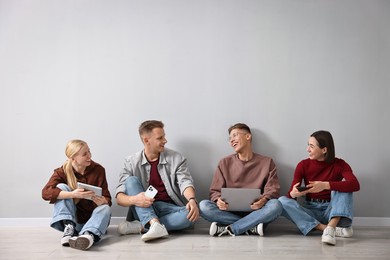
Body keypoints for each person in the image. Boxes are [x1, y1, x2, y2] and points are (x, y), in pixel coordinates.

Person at [115, 120, 200, 242]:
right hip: (144, 207)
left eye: (164, 136)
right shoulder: (130, 162)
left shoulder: (177, 158)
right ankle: (152, 222)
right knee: (131, 180)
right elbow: (119, 198)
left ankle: (143, 226)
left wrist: (192, 200)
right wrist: (135, 200)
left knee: (191, 214)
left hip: (168, 208)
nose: (165, 141)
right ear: (146, 140)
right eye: (160, 138)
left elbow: (185, 182)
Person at [199, 123, 282, 237]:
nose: (231, 140)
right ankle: (252, 227)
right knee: (204, 206)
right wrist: (218, 200)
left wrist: (263, 200)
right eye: (230, 138)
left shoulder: (267, 162)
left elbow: (273, 189)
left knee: (276, 205)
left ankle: (233, 228)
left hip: (257, 211)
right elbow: (214, 191)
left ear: (248, 136)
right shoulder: (224, 162)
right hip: (229, 211)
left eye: (235, 135)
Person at [278, 130, 360, 246]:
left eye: (311, 146)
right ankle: (326, 229)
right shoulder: (303, 165)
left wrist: (326, 185)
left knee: (344, 187)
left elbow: (355, 184)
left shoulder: (340, 164)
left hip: (332, 211)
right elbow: (290, 197)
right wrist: (293, 195)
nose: (307, 149)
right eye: (308, 145)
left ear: (324, 150)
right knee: (282, 201)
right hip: (310, 210)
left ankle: (331, 226)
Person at [42, 140, 112, 250]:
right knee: (61, 187)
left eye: (89, 151)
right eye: (85, 154)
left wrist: (104, 201)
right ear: (73, 157)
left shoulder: (99, 170)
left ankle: (89, 235)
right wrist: (72, 194)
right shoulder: (62, 171)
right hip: (75, 222)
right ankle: (69, 229)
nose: (90, 155)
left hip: (94, 221)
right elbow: (46, 193)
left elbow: (107, 197)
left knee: (106, 208)